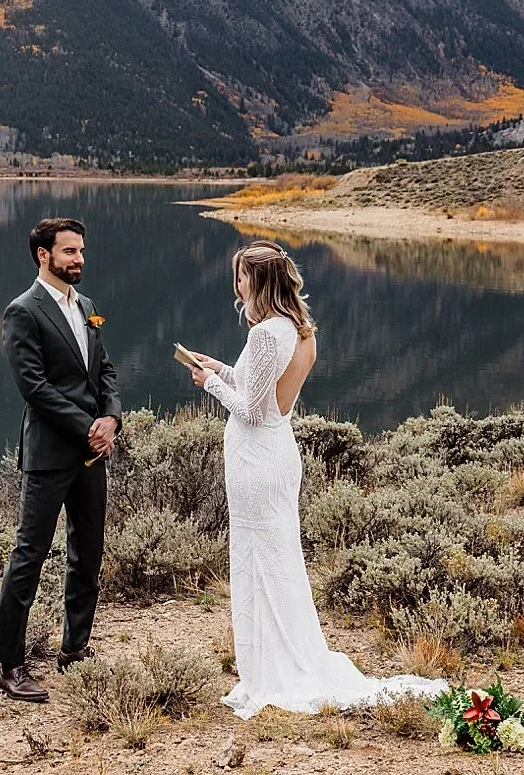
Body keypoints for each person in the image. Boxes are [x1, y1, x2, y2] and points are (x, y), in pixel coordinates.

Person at [189, 240, 446, 718]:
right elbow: (266, 392)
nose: (237, 285)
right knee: (277, 555)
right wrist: (220, 367)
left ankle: (271, 670)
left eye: (242, 277)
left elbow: (247, 408)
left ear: (260, 282)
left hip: (256, 457)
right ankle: (277, 658)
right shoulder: (300, 331)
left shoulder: (266, 334)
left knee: (259, 559)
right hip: (277, 452)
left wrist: (211, 385)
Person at [0, 217, 122, 703]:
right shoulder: (22, 312)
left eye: (81, 251)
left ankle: (75, 650)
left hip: (92, 454)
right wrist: (86, 426)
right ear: (43, 255)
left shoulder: (87, 307)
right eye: (69, 252)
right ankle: (9, 665)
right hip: (50, 455)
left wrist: (110, 418)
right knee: (29, 556)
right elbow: (34, 387)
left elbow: (104, 370)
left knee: (87, 554)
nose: (79, 259)